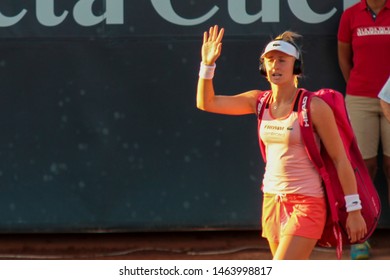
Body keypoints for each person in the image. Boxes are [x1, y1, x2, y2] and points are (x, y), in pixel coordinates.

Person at [196, 25, 367, 260]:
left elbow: (340, 159)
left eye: (282, 60)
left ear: (296, 67)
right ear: (263, 67)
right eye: (270, 60)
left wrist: (354, 208)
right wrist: (208, 65)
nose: (275, 65)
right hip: (272, 201)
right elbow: (207, 102)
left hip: (307, 204)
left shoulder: (314, 106)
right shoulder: (258, 101)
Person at [337, 0, 390, 260]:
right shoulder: (350, 16)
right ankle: (362, 236)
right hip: (360, 99)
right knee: (364, 168)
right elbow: (344, 57)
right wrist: (360, 86)